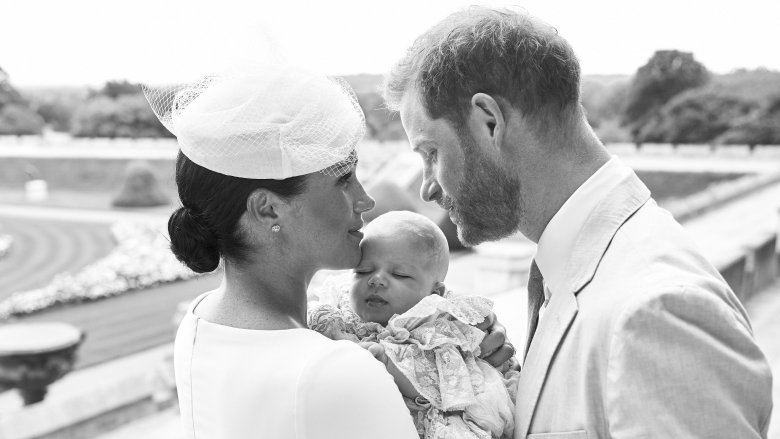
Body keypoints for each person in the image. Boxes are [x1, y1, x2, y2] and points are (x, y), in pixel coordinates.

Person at [384, 7, 773, 439]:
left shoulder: (657, 311)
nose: (426, 189)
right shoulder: (579, 268)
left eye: (431, 153)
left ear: (488, 122)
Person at [143, 65, 513, 439]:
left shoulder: (200, 322)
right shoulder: (340, 371)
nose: (365, 201)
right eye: (344, 180)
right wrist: (475, 389)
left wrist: (451, 344)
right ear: (268, 209)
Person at [308, 210, 519, 438]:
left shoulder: (438, 328)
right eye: (363, 271)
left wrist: (385, 363)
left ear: (434, 293)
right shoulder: (337, 313)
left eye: (399, 275)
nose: (376, 279)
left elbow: (442, 385)